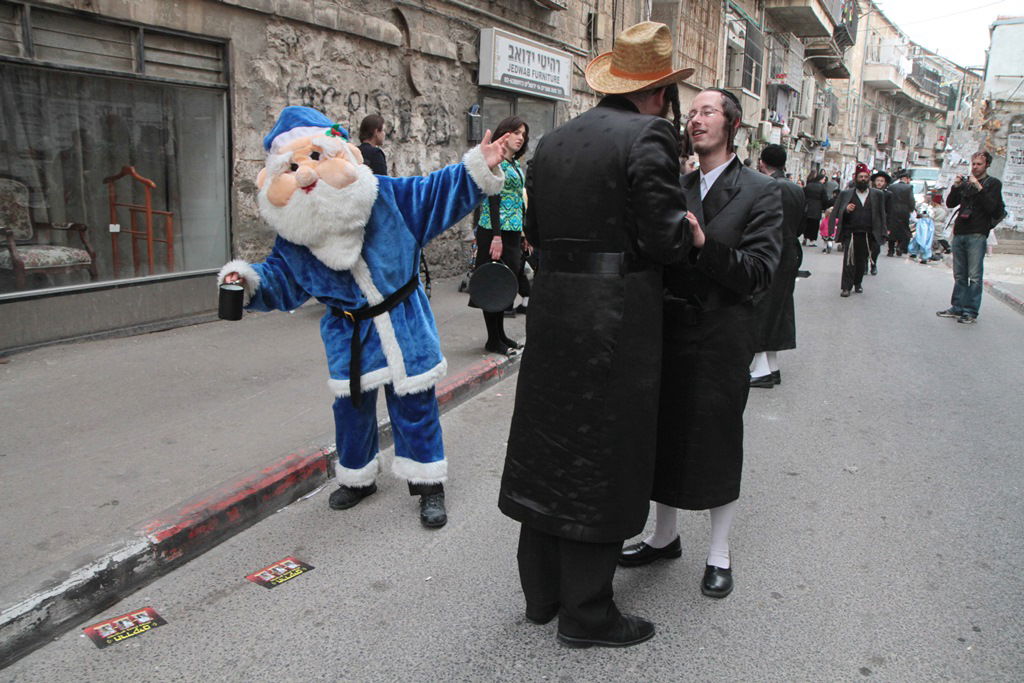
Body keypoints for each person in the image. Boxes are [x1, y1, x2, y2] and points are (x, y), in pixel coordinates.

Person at [220, 106, 509, 528]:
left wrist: (477, 166)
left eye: (314, 158)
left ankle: (428, 484)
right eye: (293, 167)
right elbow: (282, 280)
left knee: (414, 405)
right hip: (348, 331)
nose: (306, 174)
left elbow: (434, 192)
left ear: (342, 154)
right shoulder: (295, 233)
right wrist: (248, 281)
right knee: (351, 410)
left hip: (403, 322)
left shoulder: (385, 196)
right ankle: (358, 479)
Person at [498, 21, 692, 649]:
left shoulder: (555, 139)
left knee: (548, 447)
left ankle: (542, 596)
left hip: (555, 308)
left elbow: (535, 230)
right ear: (657, 91)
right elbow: (663, 240)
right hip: (614, 315)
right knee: (603, 455)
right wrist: (687, 231)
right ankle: (587, 614)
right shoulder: (649, 134)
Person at [618, 87, 782, 601]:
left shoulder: (760, 191)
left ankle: (719, 553)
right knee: (662, 435)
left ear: (733, 125)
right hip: (668, 331)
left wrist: (705, 245)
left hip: (722, 336)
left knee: (717, 441)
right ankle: (663, 536)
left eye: (707, 111)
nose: (695, 120)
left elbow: (758, 273)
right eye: (691, 112)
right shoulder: (676, 186)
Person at [471, 116, 529, 355]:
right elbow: (493, 200)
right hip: (495, 231)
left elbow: (519, 201)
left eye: (523, 134)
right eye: (516, 132)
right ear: (505, 133)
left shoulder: (513, 163)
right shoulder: (496, 161)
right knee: (493, 283)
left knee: (507, 283)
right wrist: (496, 236)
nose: (520, 138)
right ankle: (493, 339)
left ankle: (501, 334)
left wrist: (524, 233)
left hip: (512, 231)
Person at [750, 144, 803, 388]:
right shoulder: (796, 189)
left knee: (760, 308)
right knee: (779, 309)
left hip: (770, 253)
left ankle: (761, 369)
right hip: (790, 253)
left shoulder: (767, 186)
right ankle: (771, 366)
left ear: (762, 162)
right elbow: (800, 225)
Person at [937, 151, 1006, 324]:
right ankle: (957, 307)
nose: (975, 167)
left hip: (977, 233)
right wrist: (956, 186)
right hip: (960, 232)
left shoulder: (993, 184)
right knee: (959, 274)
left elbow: (993, 208)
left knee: (974, 276)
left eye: (979, 164)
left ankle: (970, 311)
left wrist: (979, 188)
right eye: (973, 164)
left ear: (987, 165)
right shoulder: (967, 184)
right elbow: (951, 203)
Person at [830, 163, 886, 297]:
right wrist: (846, 210)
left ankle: (858, 283)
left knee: (862, 260)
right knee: (849, 260)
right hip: (851, 232)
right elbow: (837, 212)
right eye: (861, 177)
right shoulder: (846, 194)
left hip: (867, 233)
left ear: (869, 178)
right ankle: (846, 287)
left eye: (865, 177)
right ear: (856, 178)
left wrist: (883, 231)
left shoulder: (877, 194)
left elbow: (881, 214)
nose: (863, 179)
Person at [886, 170, 914, 257]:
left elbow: (888, 199)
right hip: (904, 211)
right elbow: (911, 200)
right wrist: (911, 209)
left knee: (892, 230)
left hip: (892, 211)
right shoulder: (909, 187)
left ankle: (890, 250)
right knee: (903, 229)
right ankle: (899, 247)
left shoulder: (891, 187)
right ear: (906, 179)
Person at [870, 170, 892, 275]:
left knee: (876, 247)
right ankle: (864, 265)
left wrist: (888, 227)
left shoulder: (888, 195)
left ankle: (873, 264)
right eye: (877, 180)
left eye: (882, 181)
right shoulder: (869, 192)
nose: (879, 183)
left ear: (885, 183)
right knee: (865, 246)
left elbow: (890, 211)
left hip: (880, 224)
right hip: (868, 222)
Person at [802, 171, 830, 247]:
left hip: (808, 206)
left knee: (807, 223)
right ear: (820, 179)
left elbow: (803, 195)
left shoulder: (809, 185)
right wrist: (824, 208)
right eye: (823, 179)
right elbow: (825, 199)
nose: (824, 181)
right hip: (817, 208)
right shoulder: (822, 187)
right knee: (814, 225)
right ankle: (812, 240)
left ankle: (805, 237)